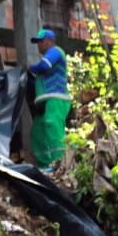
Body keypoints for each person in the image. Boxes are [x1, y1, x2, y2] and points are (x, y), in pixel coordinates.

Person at [28, 29, 72, 170]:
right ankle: (44, 165)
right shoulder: (47, 56)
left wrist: (29, 68)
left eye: (40, 42)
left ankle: (59, 163)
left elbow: (44, 66)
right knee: (38, 132)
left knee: (53, 126)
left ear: (49, 41)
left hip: (56, 98)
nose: (39, 45)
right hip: (44, 101)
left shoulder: (55, 51)